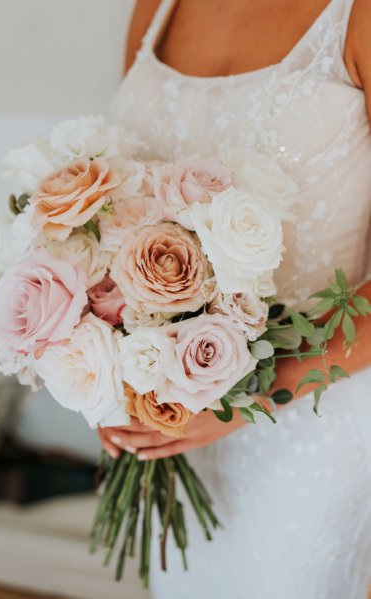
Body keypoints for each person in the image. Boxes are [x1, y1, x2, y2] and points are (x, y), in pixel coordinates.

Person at [99, 1, 371, 596]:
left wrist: (244, 400)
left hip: (313, 429)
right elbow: (119, 206)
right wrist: (103, 372)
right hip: (169, 430)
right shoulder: (157, 9)